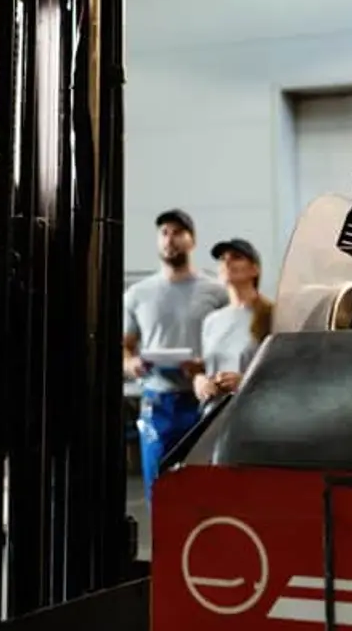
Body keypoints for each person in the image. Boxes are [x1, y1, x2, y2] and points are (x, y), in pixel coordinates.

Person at [123, 209, 228, 501]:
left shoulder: (216, 292)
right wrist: (131, 364)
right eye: (165, 233)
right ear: (158, 241)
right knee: (160, 490)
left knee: (205, 490)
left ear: (191, 240)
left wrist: (205, 367)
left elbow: (229, 344)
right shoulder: (138, 294)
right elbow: (125, 346)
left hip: (205, 402)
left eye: (178, 233)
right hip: (159, 405)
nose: (171, 239)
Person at [195, 238, 274, 403]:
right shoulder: (212, 321)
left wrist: (246, 382)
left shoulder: (273, 315)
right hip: (213, 415)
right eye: (223, 259)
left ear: (255, 269)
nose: (227, 262)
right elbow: (206, 367)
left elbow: (286, 374)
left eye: (236, 257)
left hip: (252, 413)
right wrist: (200, 381)